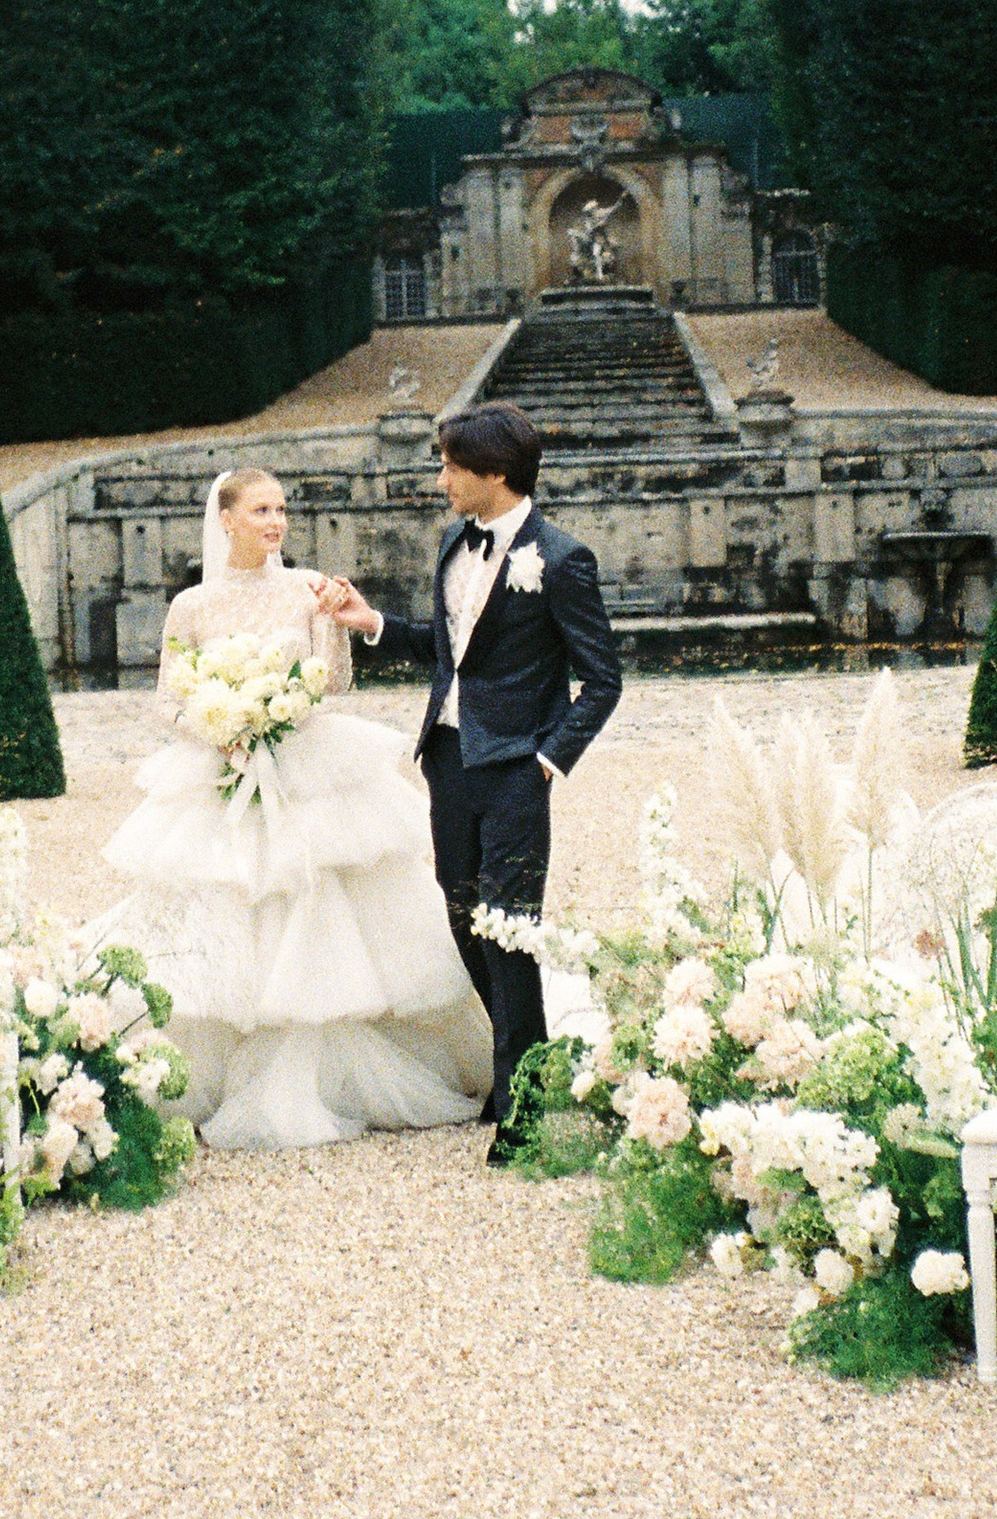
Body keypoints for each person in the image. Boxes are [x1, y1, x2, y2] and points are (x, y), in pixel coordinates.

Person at [99, 466, 494, 1151]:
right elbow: (167, 699)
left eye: (281, 509)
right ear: (225, 518)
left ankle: (336, 1074)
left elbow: (332, 679)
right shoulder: (190, 606)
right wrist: (222, 729)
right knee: (227, 906)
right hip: (223, 766)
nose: (275, 521)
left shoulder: (309, 585)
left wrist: (325, 633)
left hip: (306, 760)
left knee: (323, 907)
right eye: (260, 509)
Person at [316, 403, 623, 1148]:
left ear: (496, 472)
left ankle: (520, 1110)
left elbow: (603, 680)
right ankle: (533, 1067)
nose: (442, 476)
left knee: (508, 929)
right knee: (464, 920)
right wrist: (374, 622)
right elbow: (451, 649)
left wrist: (547, 761)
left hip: (519, 769)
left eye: (453, 464)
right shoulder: (455, 540)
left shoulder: (562, 559)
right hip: (448, 762)